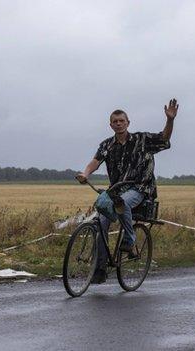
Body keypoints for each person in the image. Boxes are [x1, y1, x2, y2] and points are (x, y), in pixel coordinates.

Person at [76, 99, 179, 284]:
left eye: (121, 121)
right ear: (110, 125)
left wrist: (170, 120)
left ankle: (130, 240)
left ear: (128, 123)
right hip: (116, 189)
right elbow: (95, 161)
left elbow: (164, 138)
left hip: (140, 188)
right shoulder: (106, 145)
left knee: (121, 203)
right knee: (101, 223)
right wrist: (85, 173)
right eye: (115, 121)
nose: (118, 124)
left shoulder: (142, 140)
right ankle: (99, 270)